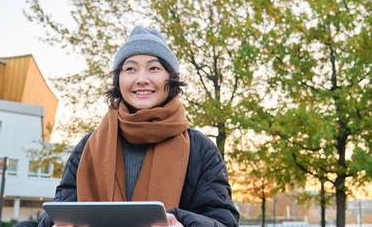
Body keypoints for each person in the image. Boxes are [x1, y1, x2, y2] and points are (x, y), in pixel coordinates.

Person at [34, 26, 239, 227]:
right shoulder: (88, 145)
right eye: (130, 69)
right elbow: (59, 208)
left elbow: (224, 221)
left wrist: (182, 223)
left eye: (154, 68)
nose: (141, 79)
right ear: (119, 80)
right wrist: (58, 224)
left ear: (172, 79)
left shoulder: (202, 150)